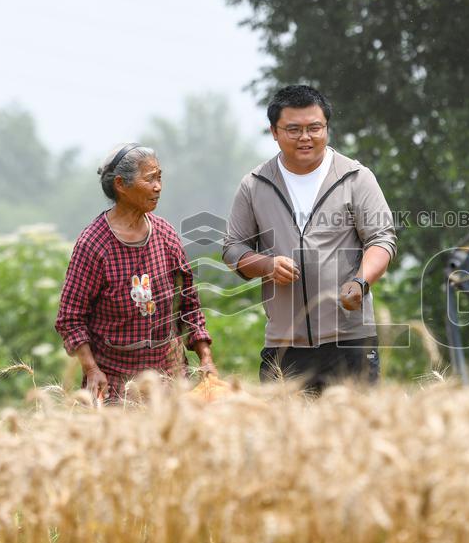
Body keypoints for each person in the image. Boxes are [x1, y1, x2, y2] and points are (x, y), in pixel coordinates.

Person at [222, 85, 396, 392]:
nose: (306, 137)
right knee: (285, 438)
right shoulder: (255, 185)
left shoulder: (356, 177)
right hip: (284, 345)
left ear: (327, 128)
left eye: (315, 128)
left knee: (355, 436)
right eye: (293, 129)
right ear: (274, 132)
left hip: (350, 341)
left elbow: (381, 240)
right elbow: (233, 248)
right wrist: (267, 265)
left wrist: (361, 282)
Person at [56, 143, 215, 402]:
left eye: (160, 177)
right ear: (121, 184)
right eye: (150, 179)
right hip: (115, 386)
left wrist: (205, 358)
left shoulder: (166, 235)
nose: (158, 187)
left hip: (169, 383)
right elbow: (70, 318)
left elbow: (189, 306)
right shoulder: (94, 244)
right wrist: (91, 369)